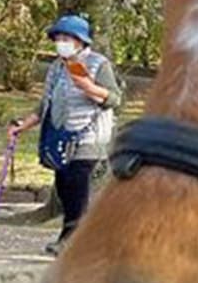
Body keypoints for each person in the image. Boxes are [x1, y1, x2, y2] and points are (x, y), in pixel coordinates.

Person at [7, 14, 121, 255]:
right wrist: (22, 124)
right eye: (58, 38)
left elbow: (114, 98)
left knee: (77, 185)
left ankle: (69, 240)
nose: (61, 42)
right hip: (61, 136)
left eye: (66, 37)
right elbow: (45, 104)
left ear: (80, 41)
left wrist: (89, 87)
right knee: (64, 186)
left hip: (90, 137)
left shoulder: (98, 64)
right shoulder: (57, 67)